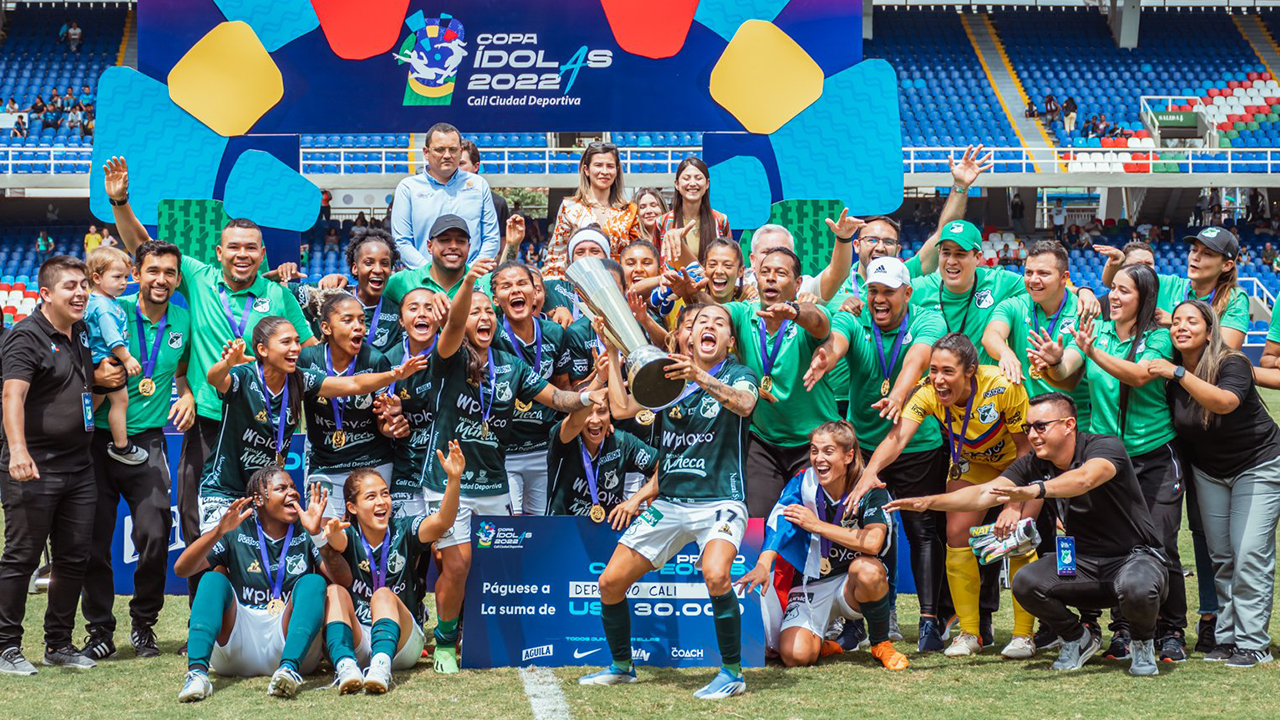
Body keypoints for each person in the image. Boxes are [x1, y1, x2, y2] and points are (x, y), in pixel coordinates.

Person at [104, 156, 317, 591]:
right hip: (207, 420)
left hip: (260, 425)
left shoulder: (278, 295)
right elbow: (144, 246)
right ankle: (204, 612)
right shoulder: (198, 278)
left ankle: (255, 605)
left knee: (262, 514)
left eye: (251, 248)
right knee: (195, 515)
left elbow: (310, 350)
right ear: (219, 253)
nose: (242, 255)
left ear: (263, 254)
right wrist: (120, 202)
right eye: (233, 247)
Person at [887, 392, 1171, 676]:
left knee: (1138, 586)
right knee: (1025, 582)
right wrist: (928, 502)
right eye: (1028, 427)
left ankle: (1142, 644)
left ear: (1069, 425)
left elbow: (1085, 479)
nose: (1032, 435)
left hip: (1132, 559)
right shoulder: (1034, 463)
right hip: (1082, 562)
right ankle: (1077, 637)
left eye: (1041, 426)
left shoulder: (1105, 447)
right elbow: (984, 493)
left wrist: (1036, 490)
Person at [425, 257, 608, 674]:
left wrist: (592, 389)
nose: (484, 318)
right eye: (476, 312)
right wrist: (469, 284)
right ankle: (445, 640)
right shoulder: (449, 357)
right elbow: (452, 327)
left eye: (489, 312)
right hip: (449, 479)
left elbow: (558, 399)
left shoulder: (510, 366)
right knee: (458, 562)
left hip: (493, 481)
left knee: (501, 564)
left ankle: (489, 633)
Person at [579, 304, 758, 699]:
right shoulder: (668, 375)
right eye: (701, 322)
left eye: (719, 323)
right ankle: (622, 667)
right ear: (687, 337)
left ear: (730, 341)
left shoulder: (739, 374)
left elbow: (745, 404)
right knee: (609, 583)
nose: (709, 326)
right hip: (671, 503)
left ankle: (732, 672)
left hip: (720, 500)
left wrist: (701, 377)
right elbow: (622, 408)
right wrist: (613, 353)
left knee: (716, 574)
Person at [1029, 262, 1189, 662]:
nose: (1113, 296)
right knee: (1113, 543)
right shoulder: (1096, 330)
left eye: (1124, 291)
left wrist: (1091, 351)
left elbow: (1137, 375)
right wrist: (1054, 362)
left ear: (1144, 298)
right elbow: (1068, 376)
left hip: (1153, 455)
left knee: (1160, 543)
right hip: (1104, 459)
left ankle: (1171, 630)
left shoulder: (1158, 337)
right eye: (1112, 288)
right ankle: (1124, 630)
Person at [858, 333, 1037, 659]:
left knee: (1017, 536)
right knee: (956, 536)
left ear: (970, 371)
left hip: (1019, 466)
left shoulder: (1002, 386)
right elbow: (898, 438)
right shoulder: (927, 391)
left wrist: (1013, 505)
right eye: (933, 370)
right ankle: (969, 633)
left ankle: (1024, 636)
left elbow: (1026, 451)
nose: (938, 379)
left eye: (947, 371)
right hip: (972, 466)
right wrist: (871, 471)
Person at [804, 257, 949, 650]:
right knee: (861, 530)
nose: (879, 299)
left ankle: (930, 621)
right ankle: (862, 620)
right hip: (865, 448)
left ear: (907, 293)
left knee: (922, 531)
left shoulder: (928, 320)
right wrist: (827, 357)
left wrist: (899, 395)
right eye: (873, 290)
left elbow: (918, 359)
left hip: (917, 443)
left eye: (888, 291)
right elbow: (837, 340)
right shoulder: (855, 317)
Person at [0, 256, 127, 675]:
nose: (80, 293)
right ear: (46, 293)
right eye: (70, 286)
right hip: (34, 466)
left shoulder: (82, 331)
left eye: (83, 286)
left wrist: (101, 380)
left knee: (73, 558)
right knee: (21, 557)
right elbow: (12, 396)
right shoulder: (25, 336)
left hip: (79, 466)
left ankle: (58, 643)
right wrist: (18, 451)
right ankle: (5, 646)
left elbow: (77, 383)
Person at [196, 318, 426, 534]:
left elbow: (354, 384)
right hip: (224, 489)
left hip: (266, 494)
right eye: (286, 342)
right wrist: (227, 363)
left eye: (297, 341)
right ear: (263, 350)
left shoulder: (300, 379)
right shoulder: (244, 376)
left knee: (260, 559)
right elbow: (215, 379)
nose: (295, 348)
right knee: (217, 553)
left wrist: (394, 375)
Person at [79, 241, 194, 662]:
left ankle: (144, 623)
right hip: (97, 441)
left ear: (178, 278)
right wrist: (95, 377)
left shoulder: (184, 319)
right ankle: (99, 630)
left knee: (156, 532)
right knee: (93, 538)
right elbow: (78, 360)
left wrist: (187, 394)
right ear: (137, 275)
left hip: (146, 440)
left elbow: (183, 371)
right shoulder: (111, 308)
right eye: (153, 271)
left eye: (169, 272)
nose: (161, 279)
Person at [1161, 300, 1280, 668]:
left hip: (1257, 465)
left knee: (1249, 553)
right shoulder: (1170, 371)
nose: (1181, 327)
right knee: (1222, 557)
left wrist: (1179, 374)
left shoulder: (1233, 363)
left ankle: (1253, 643)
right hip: (1209, 471)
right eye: (1176, 321)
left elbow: (1225, 402)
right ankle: (1227, 638)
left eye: (1191, 321)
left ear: (1210, 331)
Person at [740, 421, 909, 670]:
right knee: (795, 657)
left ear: (848, 456)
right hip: (812, 585)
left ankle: (880, 644)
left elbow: (873, 543)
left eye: (828, 451)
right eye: (814, 450)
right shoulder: (803, 483)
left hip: (851, 586)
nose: (819, 458)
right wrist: (764, 563)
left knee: (868, 569)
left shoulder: (869, 488)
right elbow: (780, 522)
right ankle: (822, 643)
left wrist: (817, 526)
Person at [173, 469, 347, 701]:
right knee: (212, 580)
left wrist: (317, 534)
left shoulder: (306, 530)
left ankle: (288, 671)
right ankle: (197, 675)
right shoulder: (236, 530)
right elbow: (182, 569)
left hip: (291, 643)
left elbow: (344, 581)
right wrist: (218, 531)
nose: (293, 493)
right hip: (237, 644)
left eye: (293, 488)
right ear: (258, 499)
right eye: (281, 488)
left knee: (314, 583)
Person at [323, 450, 463, 693]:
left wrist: (453, 479)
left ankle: (380, 668)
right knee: (333, 591)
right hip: (360, 638)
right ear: (352, 507)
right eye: (371, 497)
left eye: (385, 494)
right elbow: (338, 541)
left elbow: (442, 521)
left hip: (402, 643)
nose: (381, 502)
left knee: (383, 595)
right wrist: (330, 533)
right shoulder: (349, 534)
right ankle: (346, 666)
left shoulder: (404, 529)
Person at [723, 247, 835, 517]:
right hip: (764, 443)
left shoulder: (807, 317)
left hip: (813, 442)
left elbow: (819, 322)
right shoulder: (743, 314)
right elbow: (714, 315)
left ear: (798, 283)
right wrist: (691, 295)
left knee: (814, 522)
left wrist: (794, 312)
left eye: (781, 273)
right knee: (755, 520)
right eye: (765, 272)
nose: (771, 278)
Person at [298, 291, 396, 518]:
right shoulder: (308, 359)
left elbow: (384, 421)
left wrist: (391, 423)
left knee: (370, 531)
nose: (358, 327)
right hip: (326, 464)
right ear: (326, 327)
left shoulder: (375, 360)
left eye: (361, 320)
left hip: (372, 462)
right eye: (348, 320)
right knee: (323, 534)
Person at [984, 241, 1093, 431]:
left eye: (1043, 273)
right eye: (1029, 272)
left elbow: (1066, 372)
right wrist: (1005, 353)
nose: (1034, 280)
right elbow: (991, 335)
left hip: (1068, 427)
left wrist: (1054, 362)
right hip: (1025, 426)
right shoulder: (1015, 305)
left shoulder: (1082, 312)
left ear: (1064, 277)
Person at [492, 261, 573, 514]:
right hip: (503, 451)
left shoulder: (555, 333)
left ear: (535, 292)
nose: (515, 290)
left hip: (543, 449)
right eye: (506, 286)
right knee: (510, 527)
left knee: (540, 526)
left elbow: (563, 385)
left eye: (522, 284)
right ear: (495, 299)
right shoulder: (490, 335)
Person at [1099, 227, 1249, 349]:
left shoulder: (1235, 298)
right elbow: (1113, 282)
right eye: (1194, 250)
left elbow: (1229, 347)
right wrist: (1088, 289)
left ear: (1226, 265)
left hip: (1205, 375)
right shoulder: (1168, 284)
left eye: (1207, 254)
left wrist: (1175, 321)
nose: (1195, 257)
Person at [546, 364, 658, 519]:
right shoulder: (564, 438)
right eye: (587, 413)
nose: (595, 420)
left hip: (607, 528)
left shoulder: (622, 442)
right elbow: (574, 421)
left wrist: (635, 500)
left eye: (601, 411)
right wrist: (599, 379)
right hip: (563, 527)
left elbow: (665, 468)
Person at [391, 122, 500, 267]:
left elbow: (491, 239)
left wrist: (470, 272)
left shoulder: (479, 185)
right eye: (440, 149)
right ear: (426, 152)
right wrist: (429, 273)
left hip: (473, 277)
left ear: (461, 151)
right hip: (423, 278)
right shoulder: (408, 188)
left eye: (453, 149)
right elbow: (401, 242)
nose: (447, 155)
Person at [379, 287, 441, 519]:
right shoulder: (388, 360)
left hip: (444, 467)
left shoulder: (454, 355)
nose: (422, 313)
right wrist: (391, 425)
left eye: (429, 308)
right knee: (406, 537)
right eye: (413, 308)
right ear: (401, 321)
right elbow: (381, 424)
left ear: (440, 318)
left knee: (443, 539)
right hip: (406, 467)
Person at [84, 247, 149, 465]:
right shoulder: (104, 307)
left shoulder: (101, 300)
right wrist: (127, 358)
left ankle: (73, 433)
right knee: (120, 401)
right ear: (97, 278)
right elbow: (112, 338)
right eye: (117, 277)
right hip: (109, 361)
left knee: (95, 401)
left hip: (98, 360)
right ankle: (122, 446)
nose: (123, 283)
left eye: (126, 277)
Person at [545, 142, 638, 281]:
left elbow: (636, 256)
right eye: (598, 165)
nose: (604, 171)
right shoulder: (570, 208)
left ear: (617, 170)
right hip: (579, 286)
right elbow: (556, 257)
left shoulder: (629, 210)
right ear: (586, 170)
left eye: (610, 166)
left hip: (618, 286)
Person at [657, 157, 730, 265]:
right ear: (676, 184)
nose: (692, 183)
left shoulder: (720, 220)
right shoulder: (662, 222)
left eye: (698, 178)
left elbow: (729, 258)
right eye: (686, 178)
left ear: (707, 184)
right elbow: (656, 261)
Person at [458, 138, 510, 250]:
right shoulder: (440, 198)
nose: (456, 169)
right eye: (454, 163)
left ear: (476, 166)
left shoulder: (497, 203)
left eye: (461, 163)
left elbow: (502, 249)